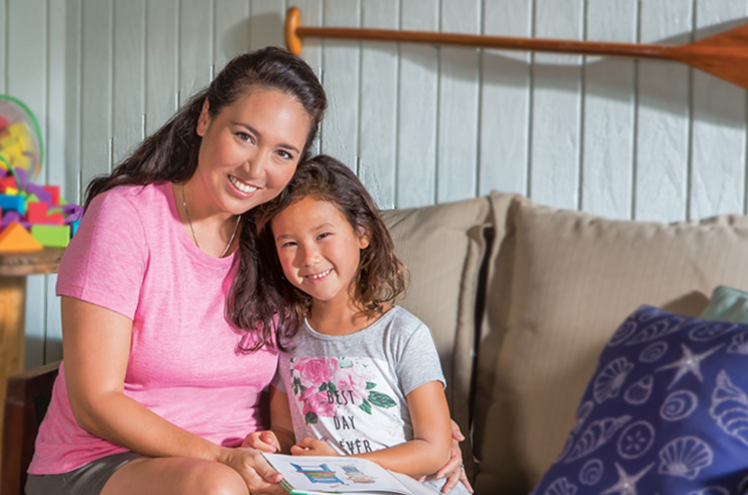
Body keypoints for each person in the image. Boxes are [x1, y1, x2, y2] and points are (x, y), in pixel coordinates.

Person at [25, 47, 467, 495]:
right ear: (204, 119)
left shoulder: (275, 240)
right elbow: (94, 401)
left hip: (254, 469)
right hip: (107, 464)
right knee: (217, 488)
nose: (256, 169)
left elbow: (339, 343)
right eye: (244, 136)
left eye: (282, 152)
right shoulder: (125, 217)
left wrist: (427, 432)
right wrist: (221, 457)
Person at [238, 155, 467, 494]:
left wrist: (342, 465)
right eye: (289, 243)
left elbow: (433, 449)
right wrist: (270, 444)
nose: (309, 256)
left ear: (362, 233)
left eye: (323, 234)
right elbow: (286, 433)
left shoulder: (403, 335)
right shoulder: (287, 338)